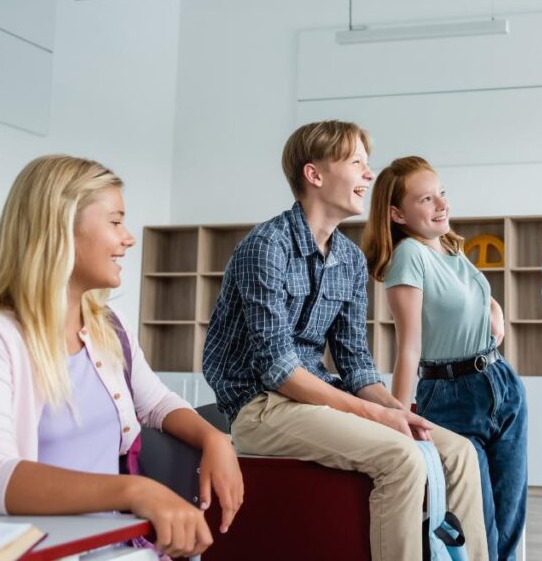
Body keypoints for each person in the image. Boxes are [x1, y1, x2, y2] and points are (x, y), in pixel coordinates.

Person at [201, 121, 488, 561]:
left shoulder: (351, 259)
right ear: (315, 175)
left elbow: (356, 367)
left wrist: (397, 412)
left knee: (459, 452)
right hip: (261, 408)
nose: (369, 176)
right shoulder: (265, 247)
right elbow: (279, 370)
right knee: (402, 458)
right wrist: (377, 414)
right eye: (357, 163)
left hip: (315, 402)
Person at [0, 155, 243, 559]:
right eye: (115, 222)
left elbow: (156, 403)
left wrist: (213, 438)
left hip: (116, 547)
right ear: (60, 226)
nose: (129, 237)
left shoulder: (106, 326)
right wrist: (137, 491)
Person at [363, 156, 527, 561]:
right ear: (397, 213)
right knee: (479, 524)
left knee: (509, 518)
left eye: (442, 194)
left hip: (501, 383)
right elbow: (409, 347)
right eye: (426, 199)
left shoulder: (451, 247)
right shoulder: (409, 258)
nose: (441, 205)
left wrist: (495, 307)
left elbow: (464, 296)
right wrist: (398, 421)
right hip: (452, 395)